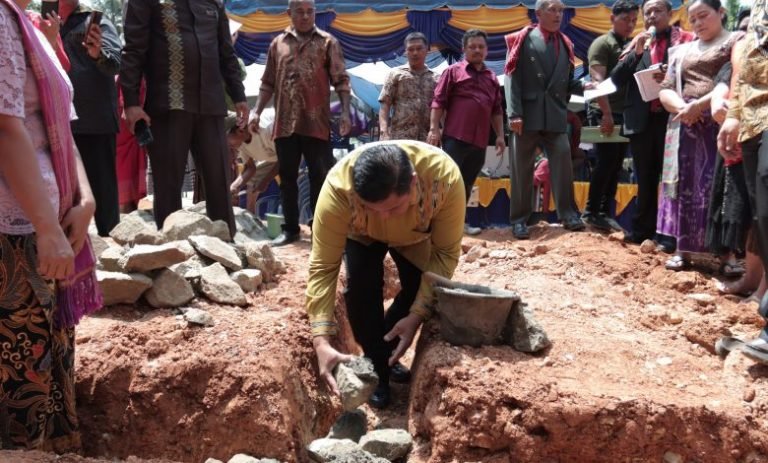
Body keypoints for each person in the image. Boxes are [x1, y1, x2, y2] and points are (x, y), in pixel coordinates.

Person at [0, 0, 102, 450]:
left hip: (52, 226)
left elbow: (60, 127)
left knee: (48, 364)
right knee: (19, 383)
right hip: (17, 232)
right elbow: (5, 128)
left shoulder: (30, 26)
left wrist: (86, 200)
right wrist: (45, 226)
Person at [307, 140, 465, 409]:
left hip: (415, 236)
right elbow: (324, 266)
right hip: (361, 235)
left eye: (393, 208)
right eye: (372, 208)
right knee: (360, 291)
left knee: (420, 290)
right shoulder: (338, 190)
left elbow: (445, 255)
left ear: (413, 182)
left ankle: (385, 353)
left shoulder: (444, 180)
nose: (385, 218)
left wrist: (416, 316)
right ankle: (377, 368)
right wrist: (320, 340)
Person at [120, 0, 248, 238]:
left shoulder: (214, 3)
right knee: (168, 188)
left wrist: (239, 95)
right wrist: (131, 102)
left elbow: (225, 51)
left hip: (211, 105)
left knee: (220, 182)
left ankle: (226, 247)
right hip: (168, 105)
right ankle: (171, 253)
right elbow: (133, 49)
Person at [250, 0, 351, 247]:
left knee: (320, 177)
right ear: (289, 13)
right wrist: (256, 110)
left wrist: (346, 113)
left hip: (316, 123)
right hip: (285, 123)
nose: (305, 16)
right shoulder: (278, 44)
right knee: (287, 178)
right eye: (300, 12)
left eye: (310, 11)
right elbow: (267, 83)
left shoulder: (328, 42)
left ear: (314, 13)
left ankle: (320, 230)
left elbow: (341, 81)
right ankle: (291, 230)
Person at [657, 0, 741, 271]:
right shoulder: (682, 50)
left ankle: (725, 255)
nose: (698, 24)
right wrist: (683, 108)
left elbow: (733, 80)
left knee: (720, 187)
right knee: (685, 188)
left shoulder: (736, 42)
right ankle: (684, 250)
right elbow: (666, 87)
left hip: (720, 123)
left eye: (703, 16)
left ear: (722, 13)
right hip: (685, 126)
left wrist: (700, 106)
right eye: (692, 20)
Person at [611, 0, 694, 246]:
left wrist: (671, 72)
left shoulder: (685, 41)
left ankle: (670, 235)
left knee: (672, 178)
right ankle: (642, 232)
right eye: (647, 12)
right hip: (642, 121)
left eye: (658, 11)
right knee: (644, 178)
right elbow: (616, 79)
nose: (652, 16)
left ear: (670, 14)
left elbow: (699, 73)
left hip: (674, 119)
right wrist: (636, 53)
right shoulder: (636, 44)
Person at [504, 0, 589, 240]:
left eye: (561, 10)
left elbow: (567, 83)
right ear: (538, 13)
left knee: (563, 161)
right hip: (526, 114)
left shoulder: (566, 43)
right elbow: (512, 78)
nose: (558, 14)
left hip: (554, 114)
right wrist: (514, 113)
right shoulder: (521, 38)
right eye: (552, 9)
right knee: (522, 169)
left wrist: (586, 85)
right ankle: (519, 220)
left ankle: (568, 214)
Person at [718, 0, 768, 363]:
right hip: (752, 125)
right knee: (764, 220)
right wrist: (734, 113)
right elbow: (747, 72)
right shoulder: (760, 12)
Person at [429, 29, 504, 237]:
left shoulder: (492, 78)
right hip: (455, 137)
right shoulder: (453, 72)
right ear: (464, 49)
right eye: (472, 47)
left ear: (487, 50)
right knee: (445, 182)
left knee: (467, 184)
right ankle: (434, 224)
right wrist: (434, 129)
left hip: (480, 142)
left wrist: (499, 135)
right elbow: (438, 102)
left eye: (481, 47)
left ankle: (459, 225)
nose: (477, 50)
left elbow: (497, 110)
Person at [60, 0, 121, 236]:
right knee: (64, 197)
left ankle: (114, 256)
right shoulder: (41, 22)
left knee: (103, 194)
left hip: (94, 121)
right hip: (58, 123)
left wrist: (98, 54)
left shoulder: (95, 20)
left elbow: (115, 62)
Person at [582, 0, 639, 232]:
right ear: (612, 19)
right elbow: (597, 82)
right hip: (603, 111)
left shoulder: (632, 45)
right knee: (605, 162)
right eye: (625, 19)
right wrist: (605, 113)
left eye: (634, 20)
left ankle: (605, 213)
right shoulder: (602, 44)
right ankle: (591, 211)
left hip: (624, 113)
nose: (630, 24)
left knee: (616, 165)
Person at [379, 32, 438, 142]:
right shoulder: (395, 74)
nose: (415, 53)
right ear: (406, 52)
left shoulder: (436, 79)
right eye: (411, 49)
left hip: (427, 140)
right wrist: (383, 131)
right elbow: (385, 104)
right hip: (400, 138)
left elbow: (440, 108)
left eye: (419, 48)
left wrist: (440, 132)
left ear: (427, 50)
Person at [229, 109, 279, 213]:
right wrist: (235, 186)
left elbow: (286, 159)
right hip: (276, 156)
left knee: (290, 180)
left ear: (240, 131)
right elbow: (250, 168)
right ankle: (251, 215)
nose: (227, 146)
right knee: (253, 180)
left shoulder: (265, 129)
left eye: (227, 141)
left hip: (295, 150)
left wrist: (266, 180)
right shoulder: (239, 142)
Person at [115, 78, 147, 213]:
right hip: (126, 110)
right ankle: (124, 205)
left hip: (130, 106)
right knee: (124, 157)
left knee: (128, 156)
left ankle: (126, 205)